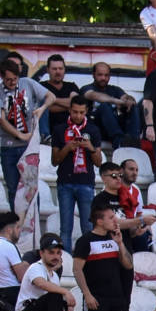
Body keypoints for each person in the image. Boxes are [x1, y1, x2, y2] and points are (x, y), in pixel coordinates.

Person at [47, 100, 103, 248]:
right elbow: (54, 161)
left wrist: (90, 147)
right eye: (75, 112)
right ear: (69, 111)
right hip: (65, 183)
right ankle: (65, 261)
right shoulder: (60, 129)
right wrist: (67, 148)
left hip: (86, 183)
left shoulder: (93, 130)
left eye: (81, 112)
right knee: (65, 229)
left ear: (86, 112)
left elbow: (98, 162)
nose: (78, 116)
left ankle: (88, 261)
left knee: (88, 227)